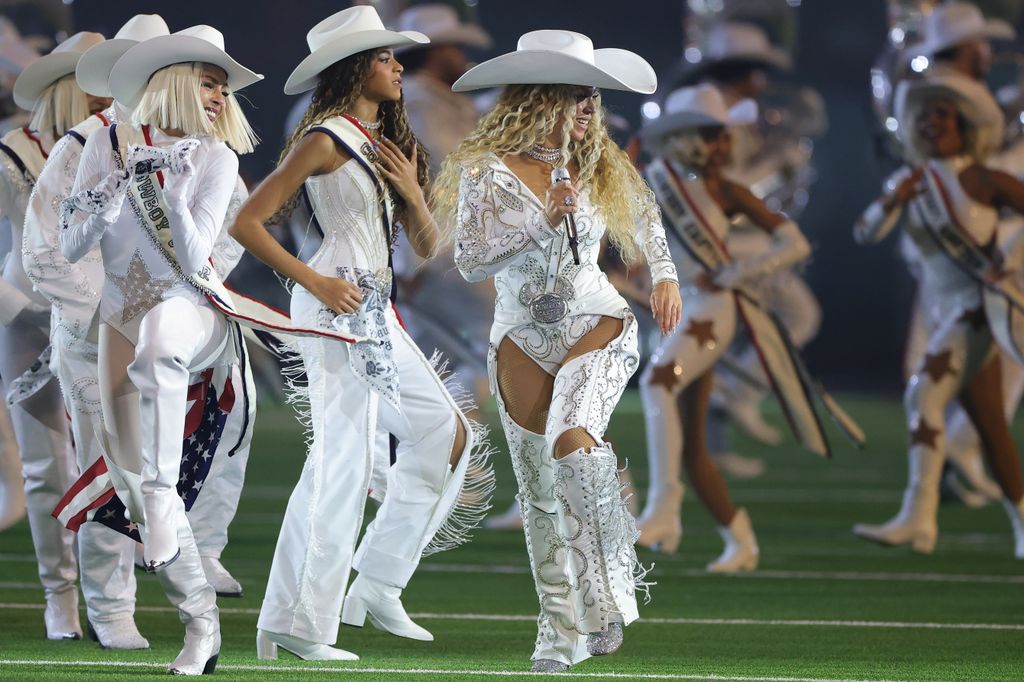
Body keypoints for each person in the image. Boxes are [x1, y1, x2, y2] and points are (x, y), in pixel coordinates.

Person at [228, 6, 492, 662]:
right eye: (385, 57)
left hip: (376, 311)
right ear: (354, 69)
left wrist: (412, 188)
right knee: (340, 467)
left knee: (446, 432)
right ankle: (300, 624)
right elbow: (250, 222)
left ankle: (375, 581)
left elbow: (425, 248)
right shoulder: (324, 138)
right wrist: (312, 284)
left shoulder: (387, 146)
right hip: (333, 309)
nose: (399, 66)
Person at [435, 29, 682, 672]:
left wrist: (665, 274)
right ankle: (559, 632)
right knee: (540, 495)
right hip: (519, 335)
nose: (589, 109)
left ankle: (606, 599)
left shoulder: (599, 162)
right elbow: (468, 261)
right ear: (537, 98)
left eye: (593, 97)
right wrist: (543, 218)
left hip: (597, 321)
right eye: (577, 95)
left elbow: (647, 214)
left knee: (572, 438)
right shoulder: (487, 172)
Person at [59, 25, 262, 674]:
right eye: (208, 82)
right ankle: (200, 629)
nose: (217, 96)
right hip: (120, 320)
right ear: (172, 77)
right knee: (143, 493)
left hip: (188, 315)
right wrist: (115, 186)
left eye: (222, 87)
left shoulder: (217, 157)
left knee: (160, 341)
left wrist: (171, 195)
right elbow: (70, 244)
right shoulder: (104, 142)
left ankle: (164, 491)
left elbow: (198, 257)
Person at [636, 84, 811, 568]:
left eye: (719, 136)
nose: (715, 145)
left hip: (712, 309)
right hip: (678, 309)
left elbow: (794, 244)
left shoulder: (723, 190)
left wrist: (737, 273)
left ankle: (661, 510)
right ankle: (740, 539)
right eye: (707, 135)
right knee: (693, 445)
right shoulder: (654, 182)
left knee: (657, 385)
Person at [852, 73, 1024, 559]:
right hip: (940, 308)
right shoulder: (910, 181)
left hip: (978, 311)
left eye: (942, 115)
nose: (931, 123)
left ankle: (918, 516)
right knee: (990, 426)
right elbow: (864, 233)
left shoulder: (984, 178)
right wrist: (894, 199)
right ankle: (1021, 523)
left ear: (963, 124)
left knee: (922, 395)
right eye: (923, 116)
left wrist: (1011, 261)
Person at [2, 30, 107, 641]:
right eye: (97, 88)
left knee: (108, 462)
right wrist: (24, 313)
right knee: (46, 469)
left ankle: (105, 598)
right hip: (27, 324)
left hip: (101, 322)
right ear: (68, 89)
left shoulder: (115, 147)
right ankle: (58, 597)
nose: (109, 100)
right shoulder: (12, 152)